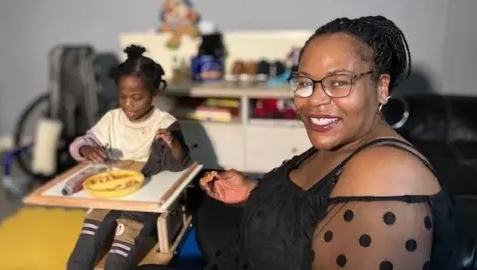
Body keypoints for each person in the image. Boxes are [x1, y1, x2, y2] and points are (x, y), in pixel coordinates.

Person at [140, 15, 459, 270]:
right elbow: (316, 206)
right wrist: (253, 190)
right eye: (305, 82)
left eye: (338, 82)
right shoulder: (346, 141)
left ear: (381, 87)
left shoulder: (388, 177)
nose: (314, 100)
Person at [66, 44, 192, 270]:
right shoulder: (113, 119)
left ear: (154, 95)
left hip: (143, 194)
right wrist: (87, 150)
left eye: (136, 97)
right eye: (123, 96)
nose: (128, 104)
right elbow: (81, 143)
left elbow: (179, 163)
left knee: (118, 258)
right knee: (86, 244)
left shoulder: (165, 123)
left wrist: (173, 144)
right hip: (110, 189)